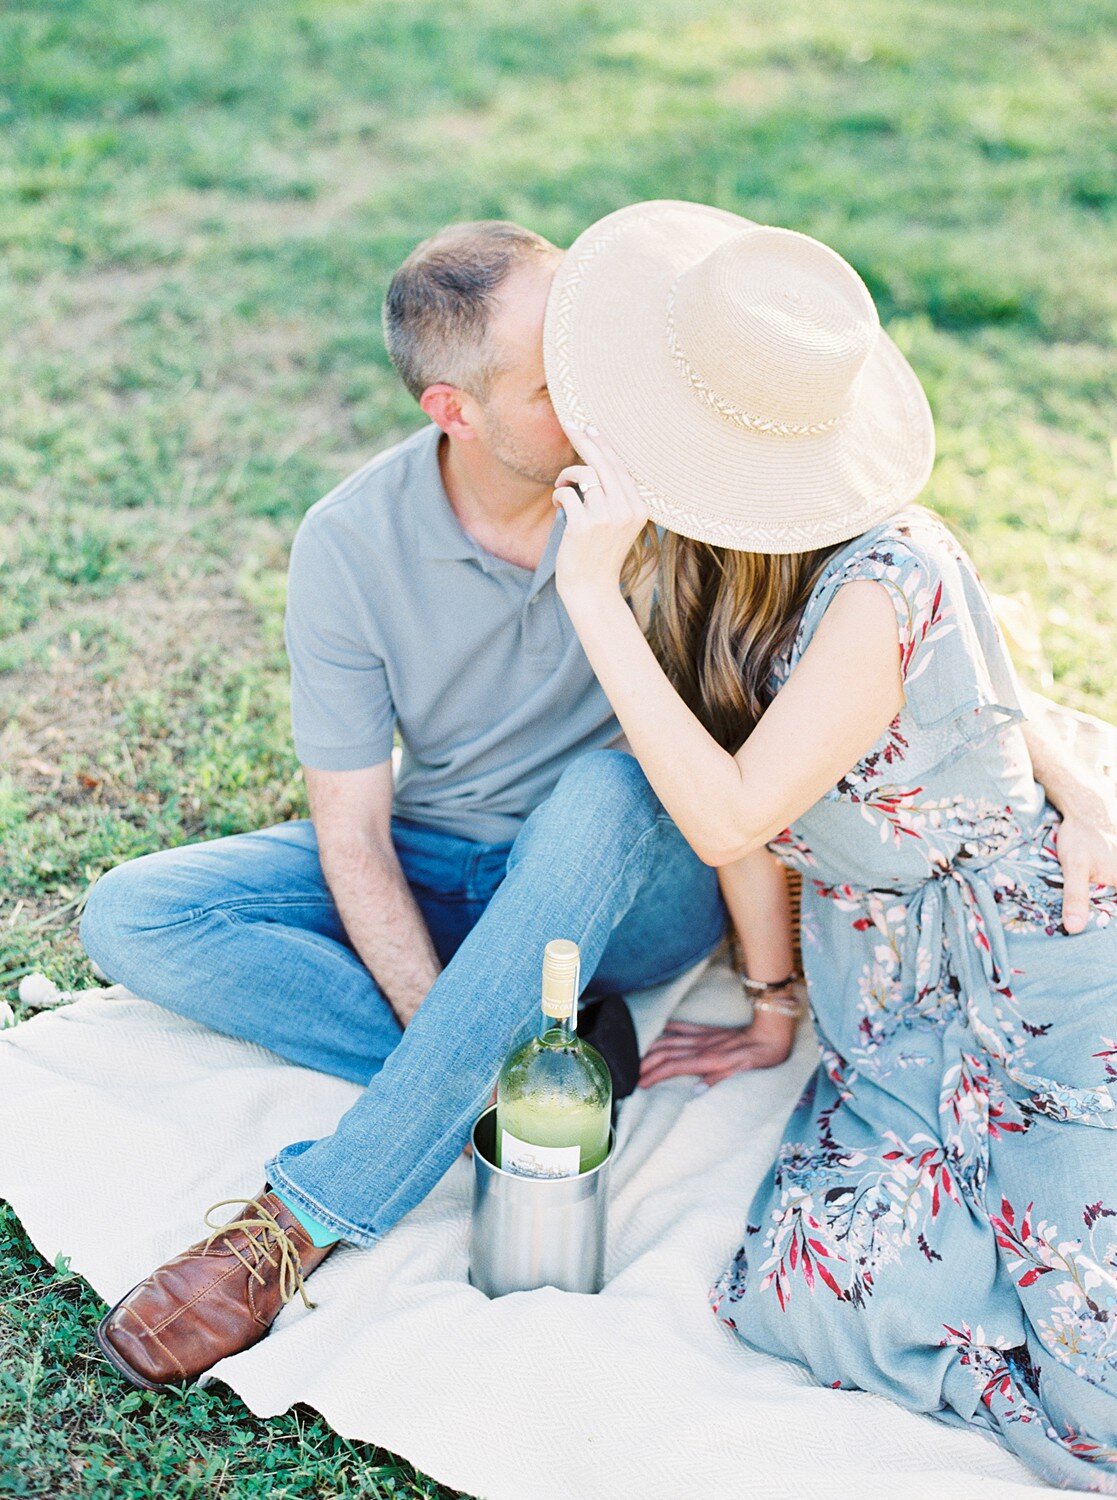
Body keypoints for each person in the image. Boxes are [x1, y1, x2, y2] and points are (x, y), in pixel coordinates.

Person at [81, 214, 1105, 1403]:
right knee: (133, 916)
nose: (605, 403)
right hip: (445, 858)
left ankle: (301, 1217)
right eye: (559, 382)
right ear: (454, 411)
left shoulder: (679, 500)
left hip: (633, 872)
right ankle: (549, 1055)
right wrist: (449, 1031)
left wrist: (1073, 787)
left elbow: (916, 654)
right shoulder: (351, 542)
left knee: (603, 785)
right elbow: (355, 833)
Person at [539, 199, 1117, 1492]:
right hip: (889, 984)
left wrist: (586, 594)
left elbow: (733, 810)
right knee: (786, 1293)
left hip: (1035, 949)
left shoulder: (883, 576)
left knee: (1103, 1395)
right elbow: (754, 839)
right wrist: (771, 1002)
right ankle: (989, 1234)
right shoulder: (676, 564)